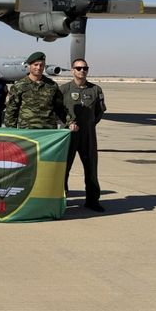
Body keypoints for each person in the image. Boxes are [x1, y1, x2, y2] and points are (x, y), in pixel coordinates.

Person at [61, 59, 106, 212]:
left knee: (91, 168)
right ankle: (61, 198)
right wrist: (67, 124)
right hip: (69, 135)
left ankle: (93, 200)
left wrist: (89, 124)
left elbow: (99, 112)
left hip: (88, 135)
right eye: (78, 68)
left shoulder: (95, 90)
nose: (82, 71)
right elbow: (57, 111)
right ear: (72, 70)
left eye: (84, 68)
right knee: (64, 168)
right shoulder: (64, 90)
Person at [4, 52, 67, 130]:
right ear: (29, 66)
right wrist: (11, 131)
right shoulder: (19, 86)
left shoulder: (52, 85)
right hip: (27, 131)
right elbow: (11, 111)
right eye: (36, 65)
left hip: (48, 132)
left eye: (41, 65)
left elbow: (60, 108)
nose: (39, 67)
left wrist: (70, 122)